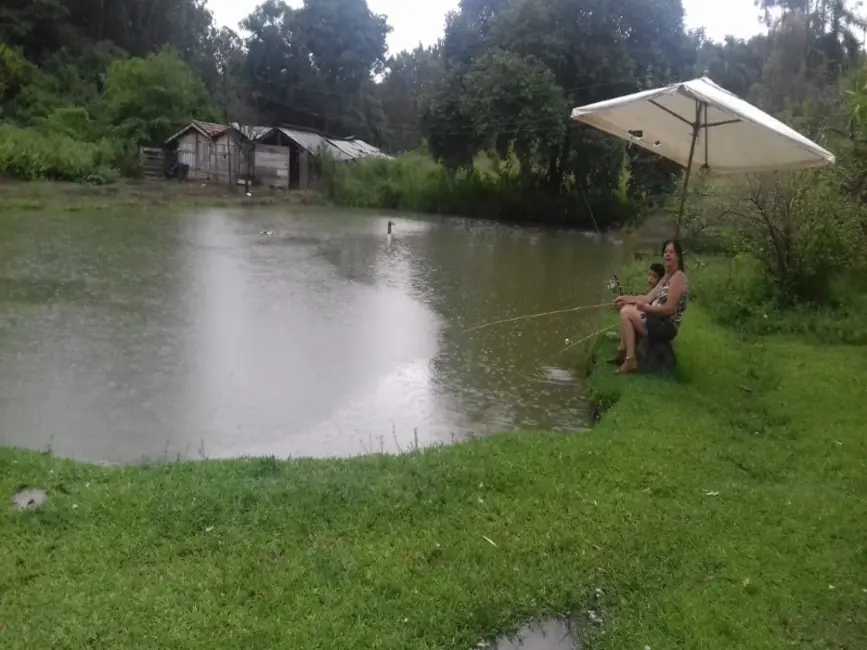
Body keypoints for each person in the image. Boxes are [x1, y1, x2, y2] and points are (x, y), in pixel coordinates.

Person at [612, 240, 689, 374]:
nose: (667, 255)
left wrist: (646, 308)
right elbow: (648, 298)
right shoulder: (667, 276)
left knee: (626, 313)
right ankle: (625, 350)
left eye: (671, 252)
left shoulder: (679, 278)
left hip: (665, 326)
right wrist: (627, 299)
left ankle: (630, 359)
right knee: (627, 306)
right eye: (665, 252)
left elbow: (669, 310)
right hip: (655, 319)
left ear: (678, 256)